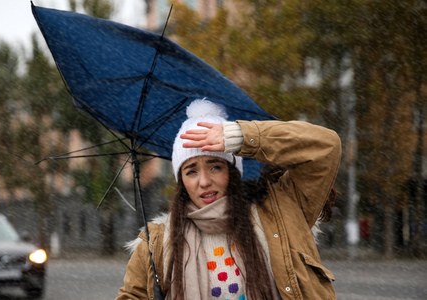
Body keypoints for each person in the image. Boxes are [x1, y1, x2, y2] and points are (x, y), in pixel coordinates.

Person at [116, 98, 341, 300]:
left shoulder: (280, 211)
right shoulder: (156, 244)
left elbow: (326, 146)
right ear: (181, 181)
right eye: (191, 171)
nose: (204, 181)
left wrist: (242, 137)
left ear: (232, 171)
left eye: (215, 166)